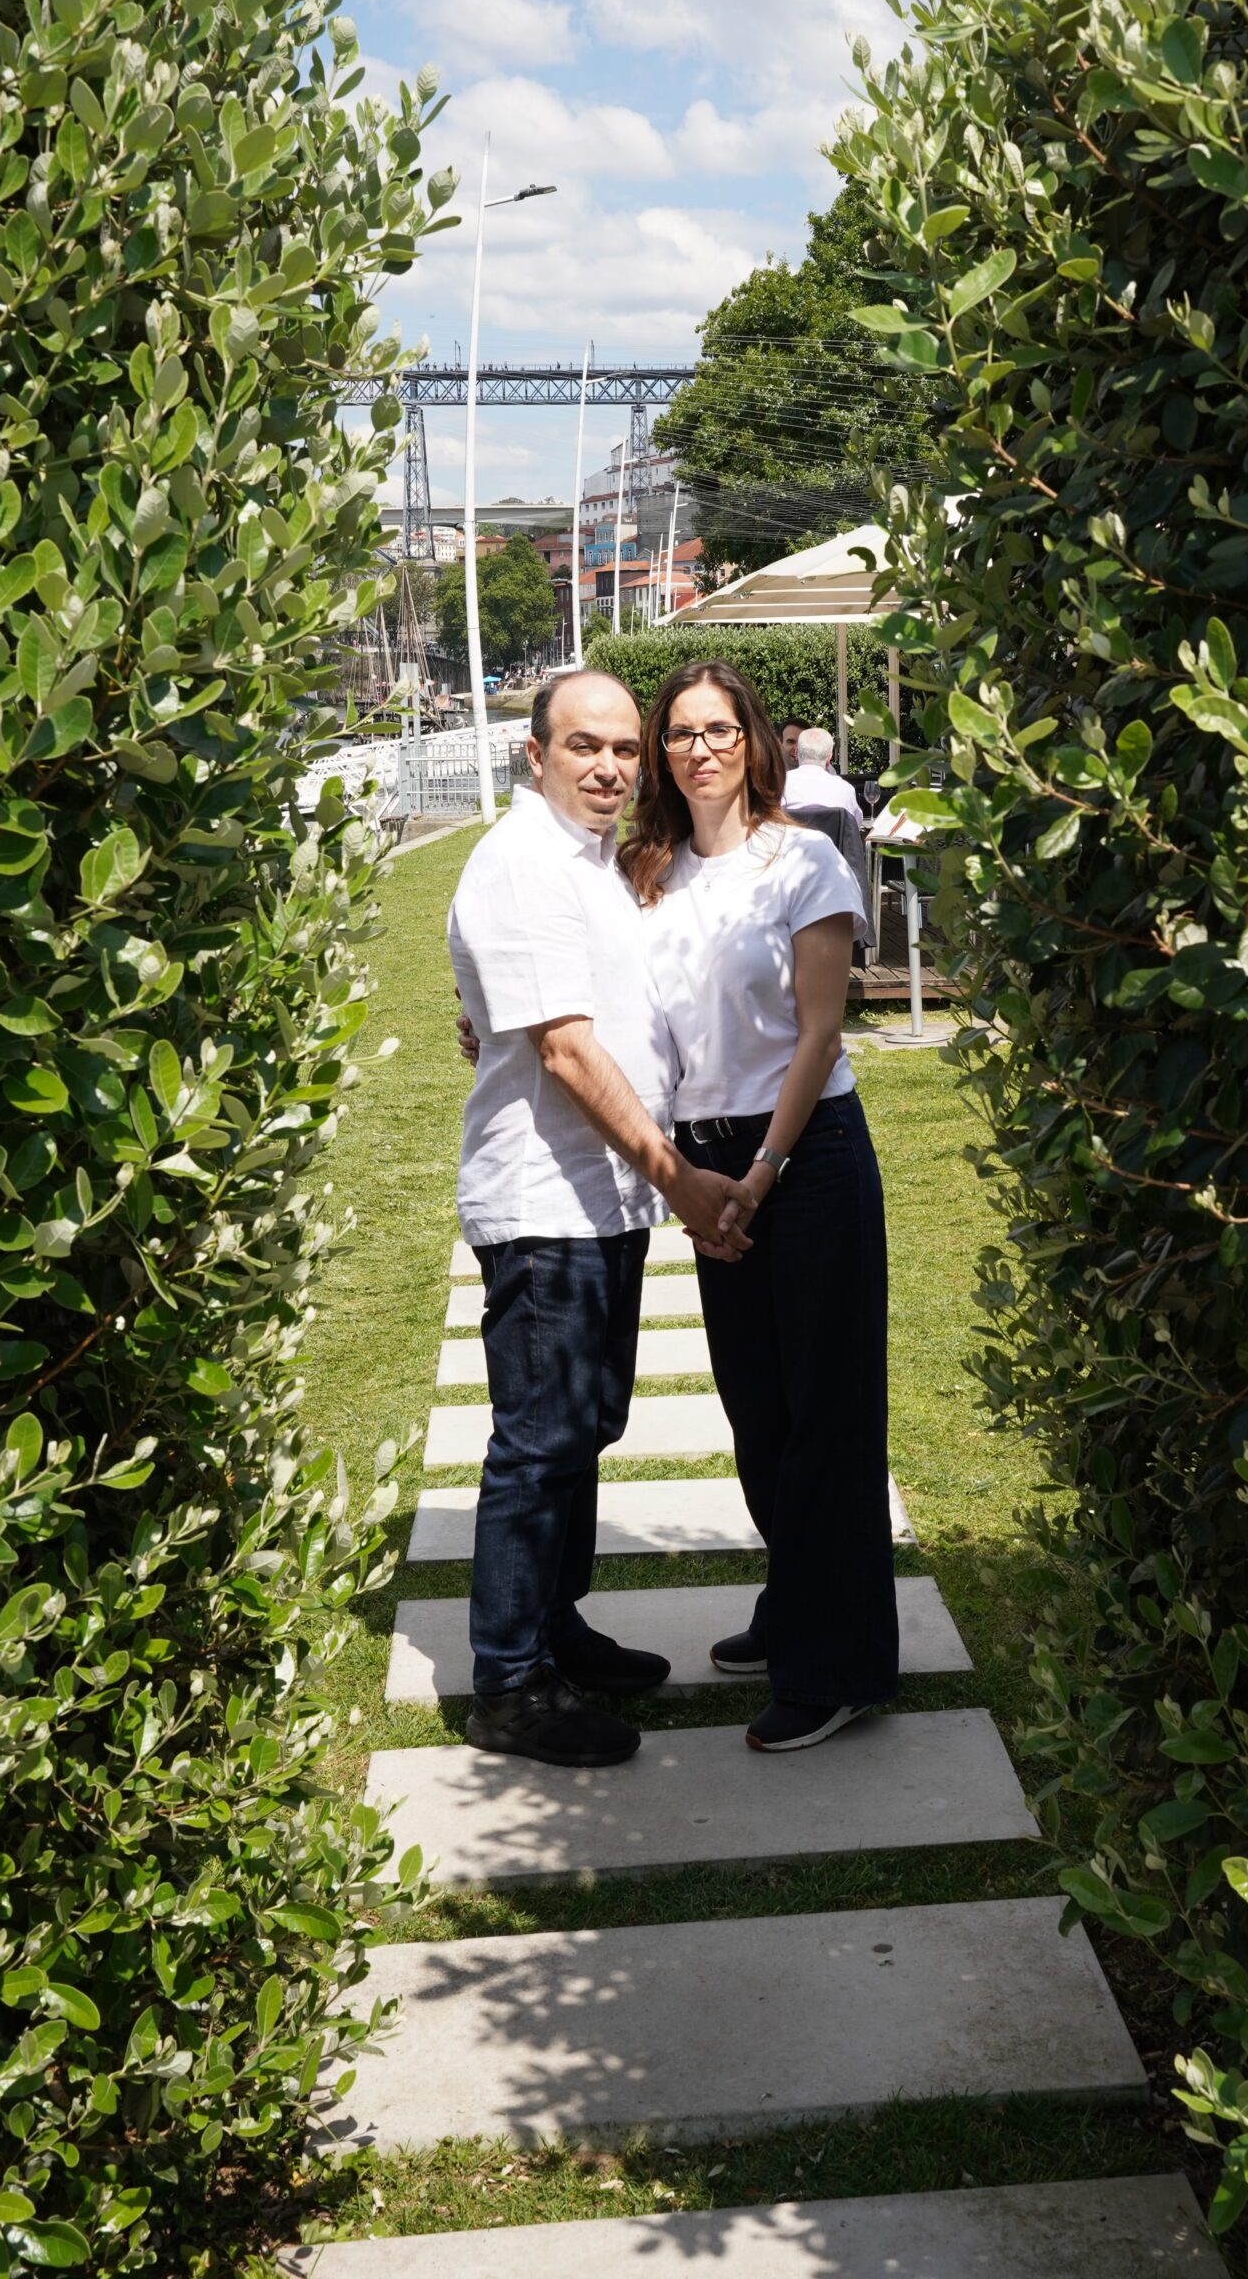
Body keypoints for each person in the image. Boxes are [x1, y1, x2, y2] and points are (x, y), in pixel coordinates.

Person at [447, 670, 752, 1770]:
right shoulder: (523, 863)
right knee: (539, 1445)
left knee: (582, 1427)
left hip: (596, 1197)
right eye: (585, 746)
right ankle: (509, 1683)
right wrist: (678, 1178)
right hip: (547, 1200)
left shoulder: (587, 861)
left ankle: (553, 1626)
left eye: (627, 748)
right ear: (535, 754)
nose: (612, 767)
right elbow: (566, 1050)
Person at [621, 661, 901, 1751]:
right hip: (707, 1163)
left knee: (830, 1410)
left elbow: (821, 1032)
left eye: (719, 729)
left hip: (807, 1152)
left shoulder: (804, 860)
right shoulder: (648, 874)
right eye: (680, 732)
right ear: (662, 751)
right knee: (758, 1407)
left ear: (754, 743)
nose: (699, 749)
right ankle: (798, 1602)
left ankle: (839, 1667)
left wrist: (765, 1171)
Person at [781, 725, 863, 822]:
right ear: (829, 758)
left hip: (789, 832)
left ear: (797, 752)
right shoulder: (845, 789)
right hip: (832, 833)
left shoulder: (779, 785)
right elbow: (854, 825)